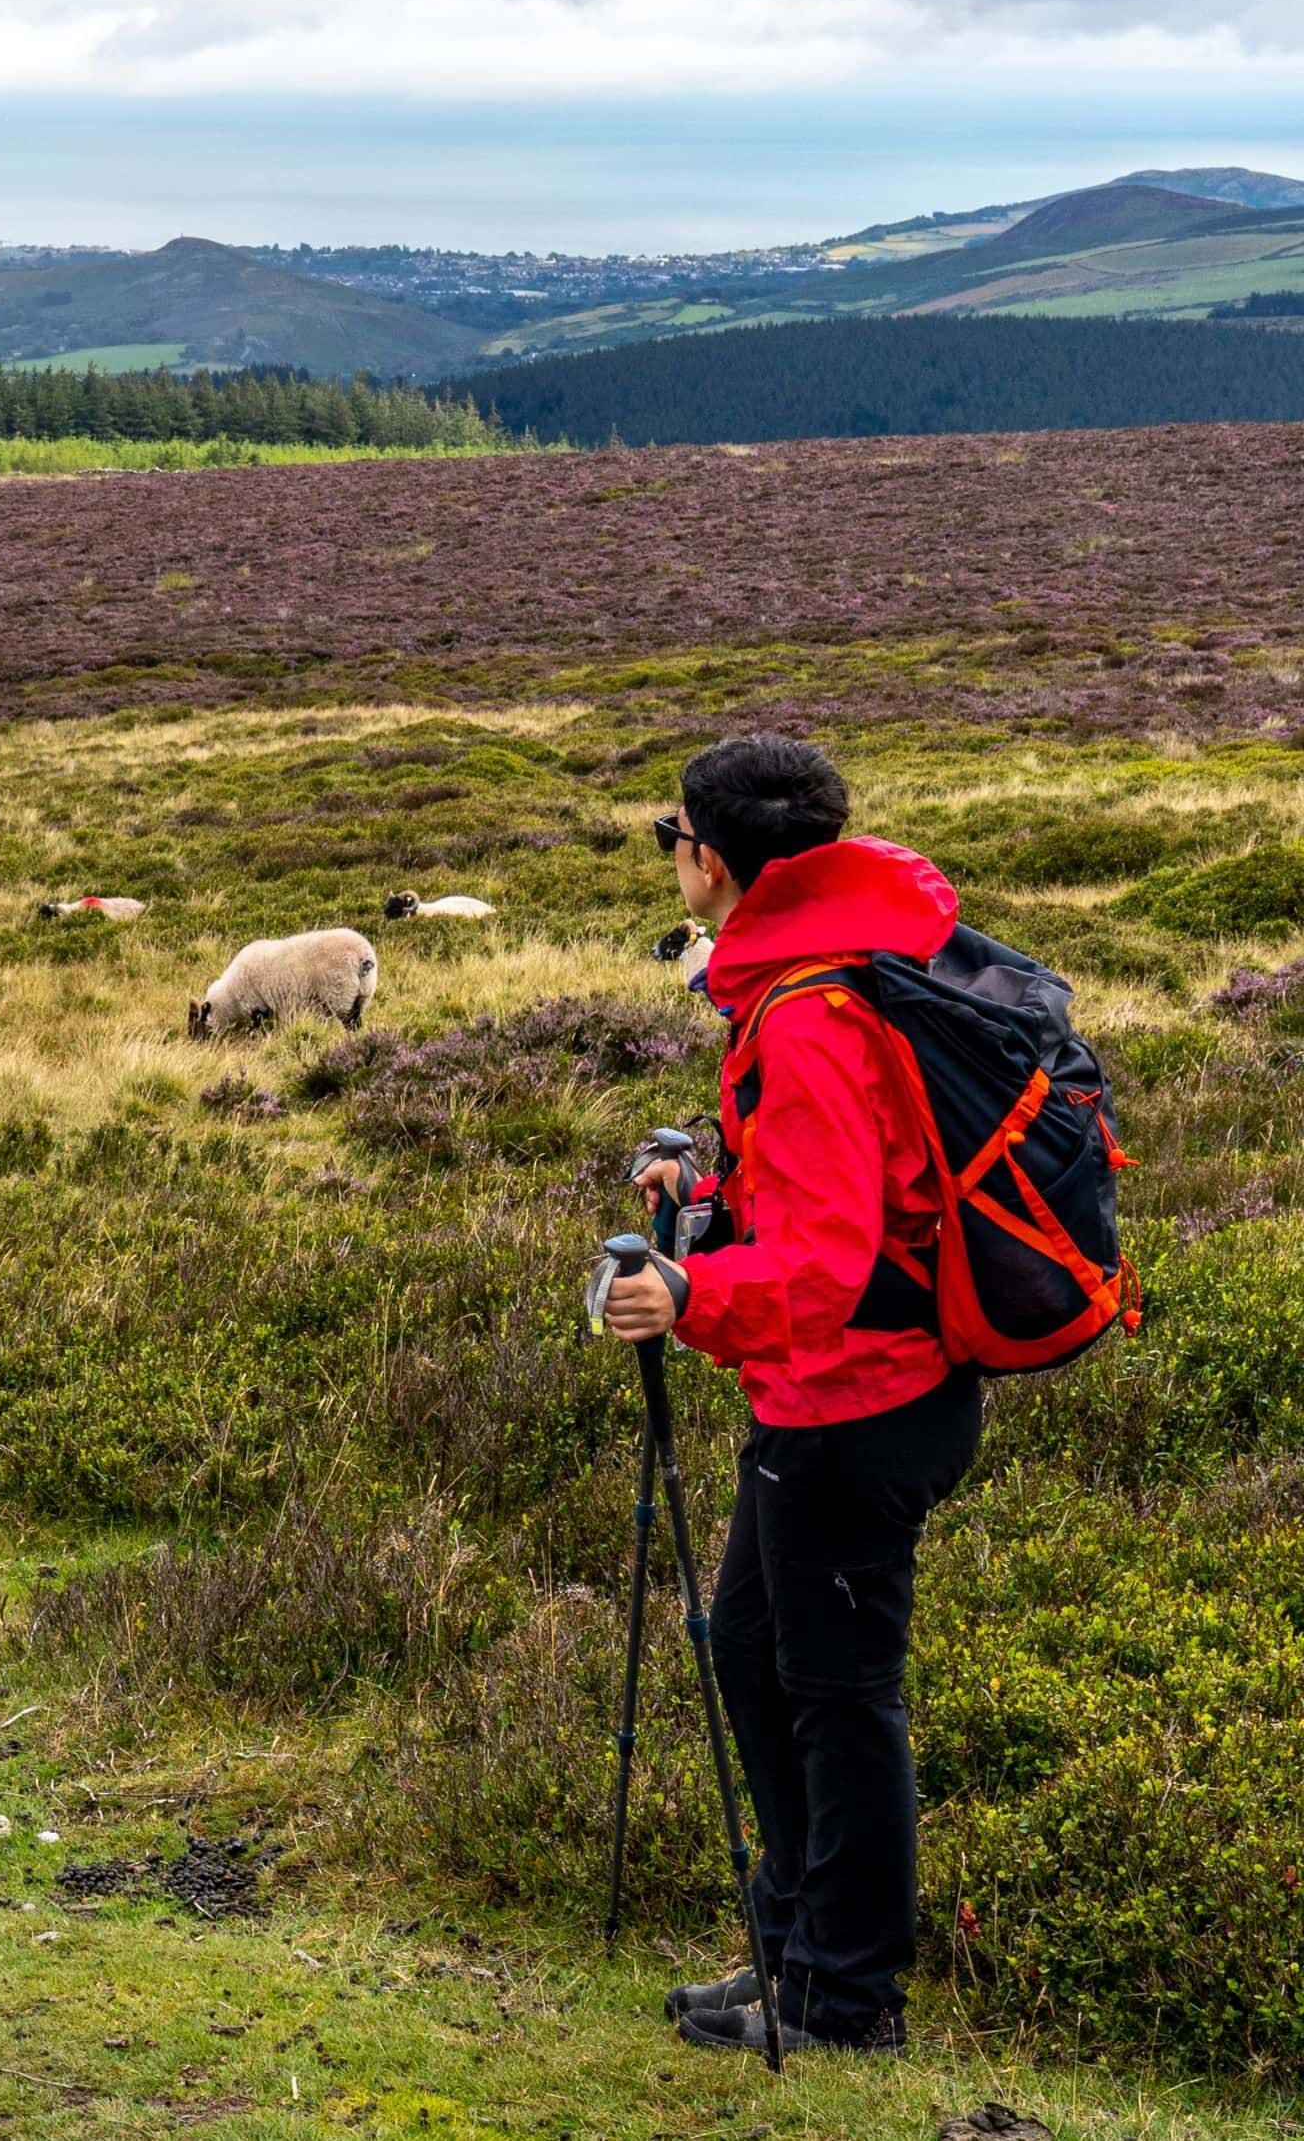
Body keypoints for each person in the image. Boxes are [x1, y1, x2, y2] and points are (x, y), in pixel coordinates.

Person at [597, 733, 983, 2058]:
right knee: (761, 1657)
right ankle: (795, 1950)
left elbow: (825, 1265)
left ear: (716, 861)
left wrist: (693, 1296)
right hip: (834, 1395)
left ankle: (846, 1996)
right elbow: (830, 1198)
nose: (678, 864)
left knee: (838, 1693)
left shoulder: (810, 1011)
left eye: (678, 841)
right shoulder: (821, 974)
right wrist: (704, 1196)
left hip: (859, 1404)